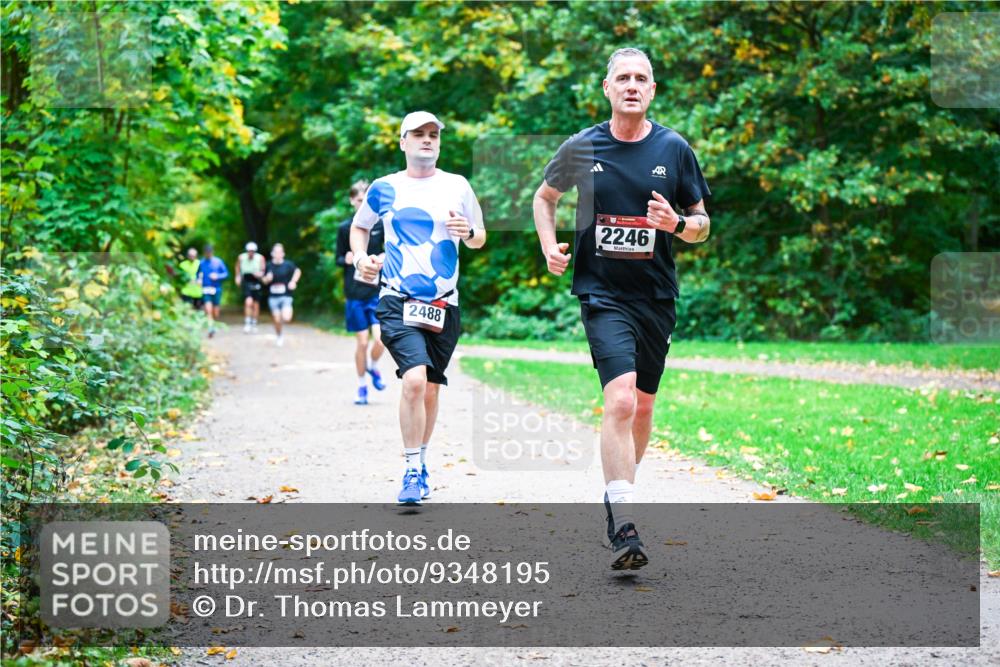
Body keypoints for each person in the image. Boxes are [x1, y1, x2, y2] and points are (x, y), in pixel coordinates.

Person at [532, 48, 711, 570]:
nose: (632, 85)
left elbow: (703, 226)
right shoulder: (582, 146)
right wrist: (549, 245)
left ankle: (618, 494)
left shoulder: (673, 148)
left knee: (645, 405)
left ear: (652, 91)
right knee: (622, 401)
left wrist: (674, 224)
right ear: (607, 88)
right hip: (601, 292)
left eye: (642, 78)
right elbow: (545, 198)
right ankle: (625, 522)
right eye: (623, 78)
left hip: (654, 296)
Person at [351, 111, 486, 505]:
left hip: (445, 304)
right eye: (418, 134)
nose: (427, 140)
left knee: (429, 386)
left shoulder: (457, 186)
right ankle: (411, 469)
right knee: (413, 380)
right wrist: (362, 259)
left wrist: (469, 233)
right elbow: (361, 226)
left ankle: (422, 463)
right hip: (397, 299)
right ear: (403, 141)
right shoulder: (384, 187)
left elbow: (480, 237)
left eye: (433, 135)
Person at [336, 179, 387, 405]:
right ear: (352, 201)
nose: (362, 203)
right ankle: (361, 386)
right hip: (355, 293)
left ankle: (373, 367)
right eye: (359, 200)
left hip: (376, 291)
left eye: (366, 200)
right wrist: (346, 259)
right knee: (362, 343)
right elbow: (338, 258)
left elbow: (391, 251)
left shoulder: (381, 225)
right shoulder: (345, 228)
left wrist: (382, 259)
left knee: (382, 340)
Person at [262, 243, 301, 347]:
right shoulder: (268, 265)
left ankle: (281, 323)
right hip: (273, 297)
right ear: (272, 253)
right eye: (276, 252)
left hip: (286, 296)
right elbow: (263, 280)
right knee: (277, 319)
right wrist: (267, 279)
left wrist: (293, 281)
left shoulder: (288, 265)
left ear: (283, 254)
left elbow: (297, 271)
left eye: (280, 252)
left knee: (287, 318)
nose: (278, 254)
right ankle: (279, 336)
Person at [197, 244, 229, 338]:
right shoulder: (201, 263)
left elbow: (226, 274)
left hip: (216, 289)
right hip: (206, 289)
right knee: (208, 309)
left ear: (212, 252)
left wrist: (218, 276)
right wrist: (198, 279)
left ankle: (214, 325)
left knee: (216, 311)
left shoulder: (218, 262)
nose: (208, 254)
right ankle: (210, 327)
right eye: (206, 253)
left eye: (209, 252)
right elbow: (197, 274)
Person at [235, 242, 266, 333]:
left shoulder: (260, 258)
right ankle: (247, 322)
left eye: (252, 251)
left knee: (256, 304)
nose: (250, 253)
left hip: (256, 279)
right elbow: (237, 267)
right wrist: (237, 276)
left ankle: (254, 323)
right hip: (246, 279)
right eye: (249, 251)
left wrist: (260, 274)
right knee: (248, 302)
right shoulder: (241, 257)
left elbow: (263, 269)